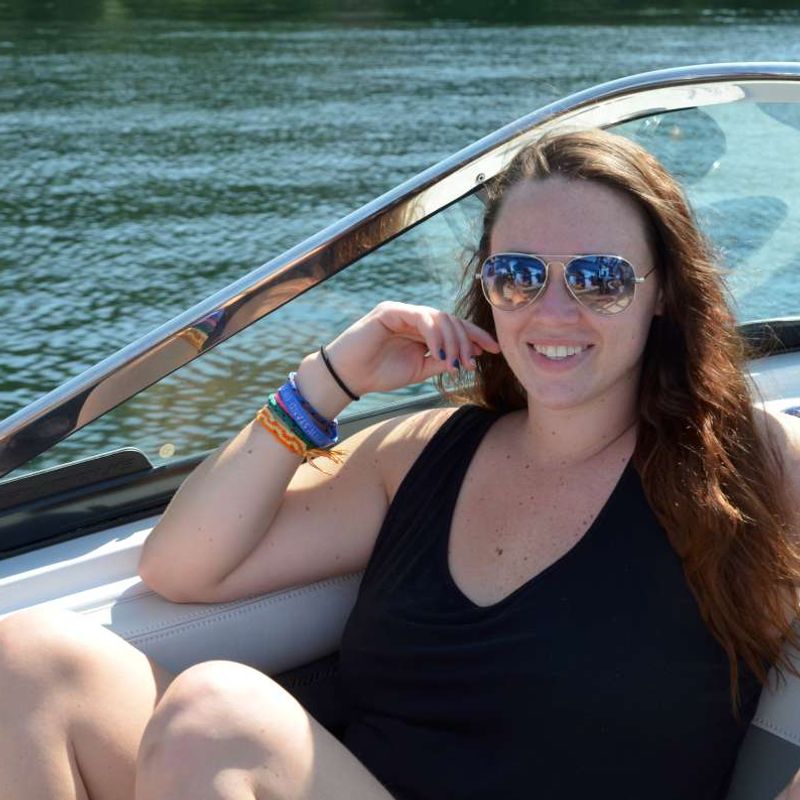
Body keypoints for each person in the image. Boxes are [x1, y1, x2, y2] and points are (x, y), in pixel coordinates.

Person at [1, 128, 799, 800]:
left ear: (662, 294)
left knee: (223, 716)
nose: (554, 311)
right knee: (29, 664)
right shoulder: (420, 456)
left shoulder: (748, 464)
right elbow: (184, 567)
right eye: (519, 276)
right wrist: (330, 379)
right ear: (487, 288)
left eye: (600, 279)